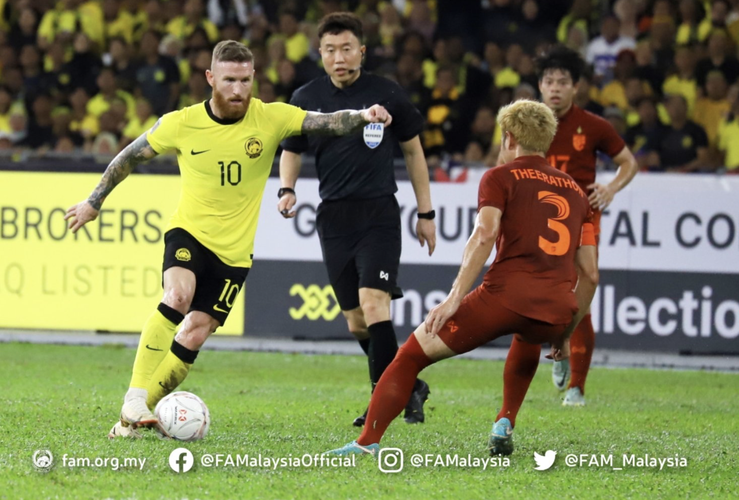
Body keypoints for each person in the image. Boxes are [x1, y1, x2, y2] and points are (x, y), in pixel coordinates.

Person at [64, 40, 393, 439]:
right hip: (190, 232)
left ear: (253, 78)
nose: (238, 90)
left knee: (195, 332)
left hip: (234, 254)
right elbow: (129, 156)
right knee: (178, 297)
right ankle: (135, 395)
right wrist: (94, 201)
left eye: (244, 80)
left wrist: (363, 115)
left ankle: (132, 419)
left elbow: (326, 122)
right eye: (229, 80)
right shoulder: (181, 123)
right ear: (210, 79)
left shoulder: (270, 117)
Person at [325, 99, 599, 457]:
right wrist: (565, 331)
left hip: (503, 298)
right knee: (529, 335)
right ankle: (505, 420)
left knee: (409, 356)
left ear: (509, 138)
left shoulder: (499, 177)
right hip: (555, 311)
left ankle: (367, 443)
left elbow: (485, 234)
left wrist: (455, 297)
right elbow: (590, 274)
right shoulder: (577, 194)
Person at [278, 12, 436, 427]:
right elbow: (291, 147)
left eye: (347, 49)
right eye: (330, 50)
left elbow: (414, 152)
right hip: (333, 217)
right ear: (320, 53)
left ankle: (381, 400)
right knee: (355, 320)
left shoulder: (387, 92)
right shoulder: (306, 97)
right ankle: (409, 384)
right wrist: (287, 188)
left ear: (361, 51)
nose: (339, 57)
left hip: (379, 213)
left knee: (373, 302)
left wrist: (426, 213)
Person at [537, 45, 637, 406]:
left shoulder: (593, 126)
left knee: (585, 288)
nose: (556, 88)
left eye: (563, 82)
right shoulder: (530, 124)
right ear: (540, 85)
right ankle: (557, 344)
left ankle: (576, 385)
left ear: (575, 87)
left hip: (581, 218)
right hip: (539, 219)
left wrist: (610, 187)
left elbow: (628, 163)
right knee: (543, 295)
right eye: (549, 81)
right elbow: (506, 162)